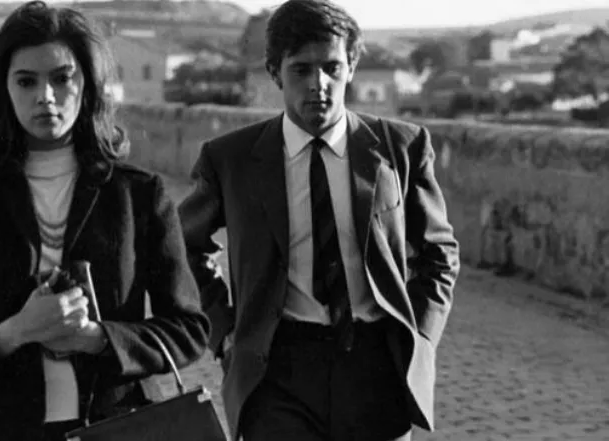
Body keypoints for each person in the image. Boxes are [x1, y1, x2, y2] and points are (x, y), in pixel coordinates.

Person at [0, 2, 209, 440]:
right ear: (2, 89)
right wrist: (15, 331)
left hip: (119, 426)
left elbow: (189, 330)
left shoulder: (139, 193)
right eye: (26, 81)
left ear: (88, 84)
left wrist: (97, 338)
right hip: (1, 430)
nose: (46, 96)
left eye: (62, 78)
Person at [178, 1, 460, 440]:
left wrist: (419, 336)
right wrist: (225, 332)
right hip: (277, 371)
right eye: (301, 70)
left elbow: (439, 253)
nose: (319, 84)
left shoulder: (400, 147)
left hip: (375, 367)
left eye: (332, 68)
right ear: (275, 73)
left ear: (352, 67)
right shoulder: (231, 159)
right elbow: (181, 246)